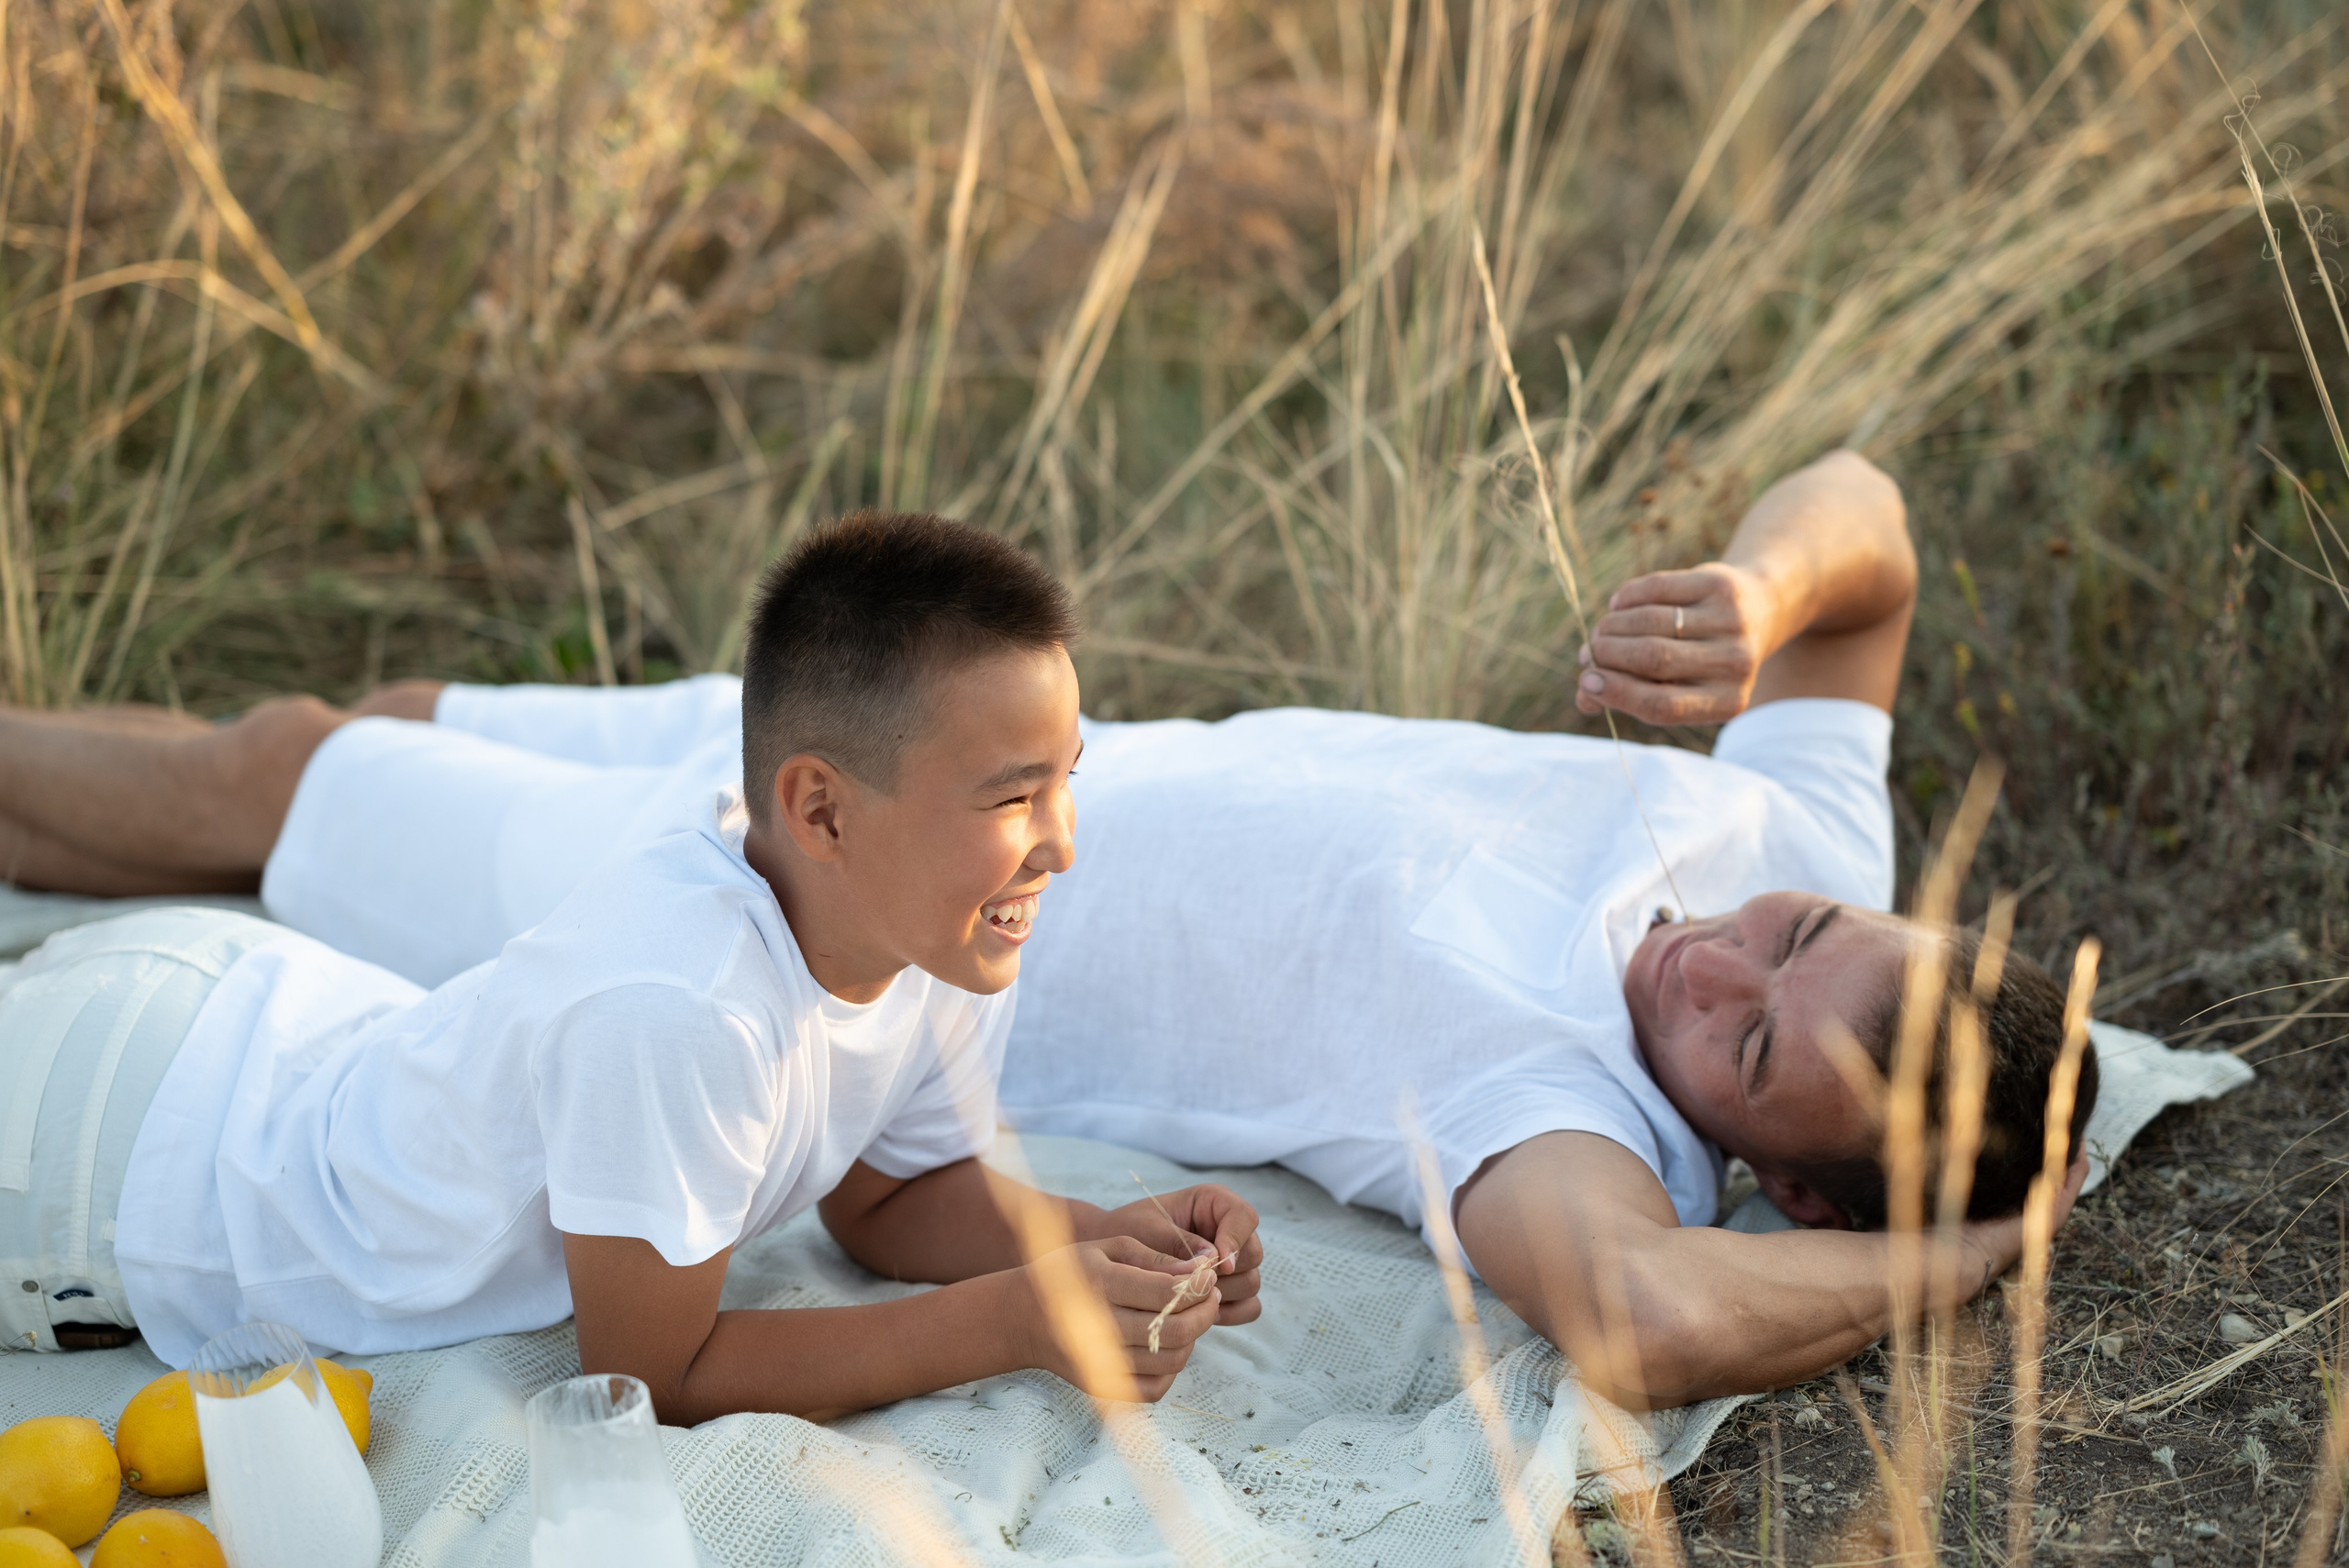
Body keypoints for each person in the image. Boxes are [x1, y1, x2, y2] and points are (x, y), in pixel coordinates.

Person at [0, 453, 2092, 1409]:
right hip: (910, 748)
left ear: (1782, 1178)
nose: (1708, 963)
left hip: (873, 921)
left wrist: (1982, 1256)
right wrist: (1754, 585)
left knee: (262, 793)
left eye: (1738, 1049)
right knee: (336, 735)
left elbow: (1642, 1321)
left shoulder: (1555, 1118)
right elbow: (1867, 531)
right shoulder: (1776, 808)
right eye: (1795, 930)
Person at [0, 513, 1265, 1423]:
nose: (1061, 841)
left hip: (257, 1020)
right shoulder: (685, 1006)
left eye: (1068, 781)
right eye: (1013, 796)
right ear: (821, 811)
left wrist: (1102, 1244)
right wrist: (1011, 1322)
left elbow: (886, 1197)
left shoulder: (940, 926)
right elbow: (652, 1376)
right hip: (123, 1169)